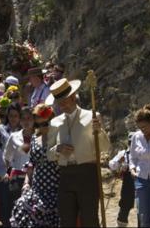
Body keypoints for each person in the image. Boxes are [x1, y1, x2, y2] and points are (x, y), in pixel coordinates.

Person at [46, 78, 110, 227]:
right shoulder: (55, 122)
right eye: (59, 102)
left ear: (74, 97)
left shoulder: (92, 116)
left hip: (87, 172)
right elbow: (49, 154)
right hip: (65, 174)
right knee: (66, 220)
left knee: (89, 219)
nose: (61, 105)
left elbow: (105, 147)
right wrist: (58, 149)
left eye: (64, 100)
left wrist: (98, 131)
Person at [10, 104, 60, 227]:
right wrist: (27, 182)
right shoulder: (34, 138)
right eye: (38, 125)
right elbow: (32, 163)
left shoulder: (58, 138)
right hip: (37, 188)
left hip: (54, 189)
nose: (42, 128)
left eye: (45, 124)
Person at [0, 102, 22, 227]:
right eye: (11, 116)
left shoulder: (24, 131)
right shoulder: (1, 129)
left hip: (19, 171)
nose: (13, 118)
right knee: (5, 203)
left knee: (17, 202)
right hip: (3, 170)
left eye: (15, 115)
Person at [3, 107, 34, 227]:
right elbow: (6, 158)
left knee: (32, 211)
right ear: (20, 121)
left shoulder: (40, 136)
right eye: (23, 118)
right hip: (16, 178)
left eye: (29, 118)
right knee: (16, 209)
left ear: (34, 120)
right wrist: (4, 173)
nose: (26, 121)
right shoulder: (14, 137)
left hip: (34, 178)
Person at [109, 132, 137, 227]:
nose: (131, 144)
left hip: (142, 179)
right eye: (130, 142)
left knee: (143, 205)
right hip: (128, 181)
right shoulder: (123, 153)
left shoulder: (142, 152)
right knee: (125, 203)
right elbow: (112, 165)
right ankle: (121, 224)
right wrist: (118, 161)